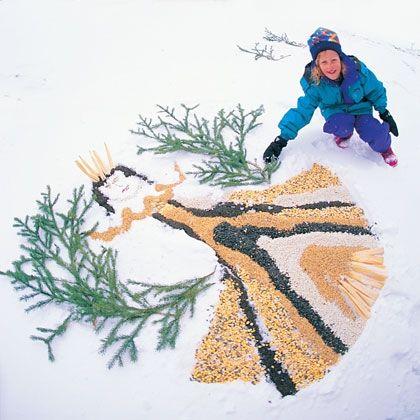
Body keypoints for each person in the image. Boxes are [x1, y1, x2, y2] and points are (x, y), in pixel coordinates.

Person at [263, 27, 399, 167]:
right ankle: (343, 135)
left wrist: (384, 112)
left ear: (340, 58)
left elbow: (375, 90)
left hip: (361, 110)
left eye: (333, 60)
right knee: (339, 124)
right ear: (317, 65)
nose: (330, 66)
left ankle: (385, 149)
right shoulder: (315, 83)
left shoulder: (357, 71)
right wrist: (280, 140)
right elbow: (302, 111)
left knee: (376, 133)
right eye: (324, 62)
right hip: (336, 112)